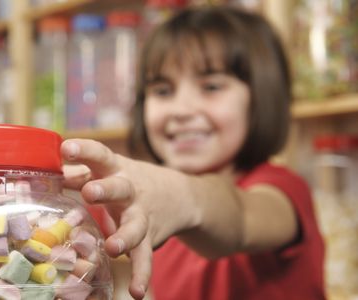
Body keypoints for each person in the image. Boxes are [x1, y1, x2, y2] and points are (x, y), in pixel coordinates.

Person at [61, 6, 325, 300]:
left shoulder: (283, 192)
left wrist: (182, 196)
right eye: (162, 91)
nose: (181, 110)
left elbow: (240, 218)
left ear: (261, 99)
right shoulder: (152, 207)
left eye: (211, 86)